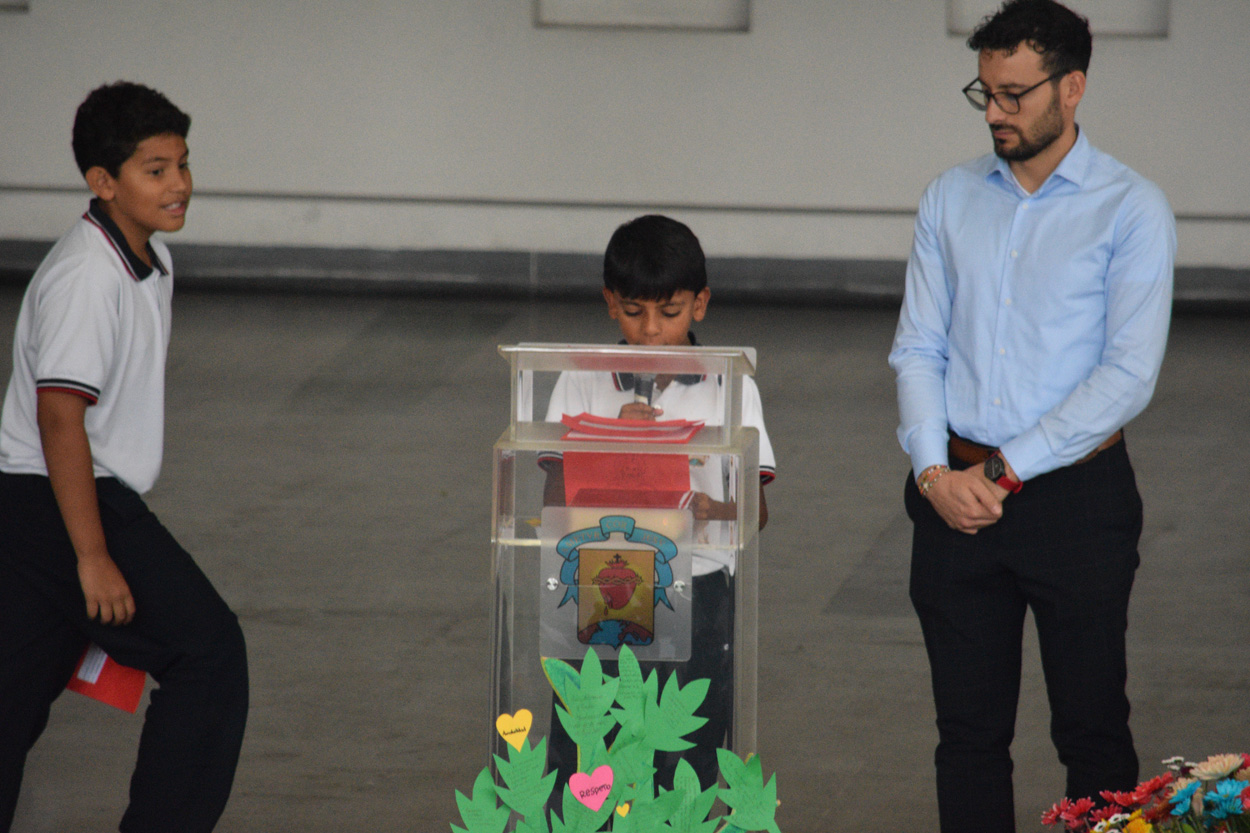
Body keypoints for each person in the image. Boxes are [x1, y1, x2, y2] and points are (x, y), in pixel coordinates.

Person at [888, 2, 1175, 830]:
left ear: (1072, 88)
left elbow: (1127, 375)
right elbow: (919, 348)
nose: (996, 113)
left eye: (1014, 94)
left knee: (1092, 731)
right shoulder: (950, 198)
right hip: (953, 499)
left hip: (1076, 500)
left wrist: (1002, 469)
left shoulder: (1130, 208)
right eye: (986, 93)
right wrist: (933, 472)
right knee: (967, 736)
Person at [0, 81, 248, 833]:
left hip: (42, 501)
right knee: (207, 653)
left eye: (182, 164)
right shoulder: (87, 277)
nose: (179, 185)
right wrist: (93, 555)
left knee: (11, 696)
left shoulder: (148, 258)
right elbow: (58, 418)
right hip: (61, 497)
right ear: (103, 182)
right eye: (155, 169)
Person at [539, 214, 775, 793]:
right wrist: (610, 445)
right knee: (592, 748)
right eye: (633, 311)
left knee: (683, 749)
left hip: (700, 584)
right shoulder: (580, 381)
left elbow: (757, 512)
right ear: (609, 304)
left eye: (669, 313)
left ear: (700, 305)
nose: (650, 331)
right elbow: (553, 506)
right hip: (602, 583)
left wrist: (707, 509)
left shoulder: (732, 387)